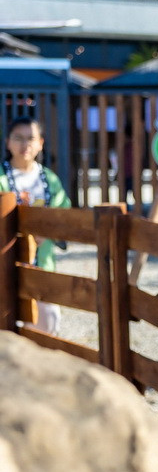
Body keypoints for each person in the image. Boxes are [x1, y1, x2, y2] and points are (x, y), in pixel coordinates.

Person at [0, 117, 71, 335]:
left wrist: (47, 231)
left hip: (42, 264)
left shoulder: (49, 179)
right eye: (18, 138)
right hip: (4, 267)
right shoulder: (2, 178)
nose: (25, 145)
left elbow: (64, 214)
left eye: (30, 138)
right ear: (7, 142)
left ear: (40, 143)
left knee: (47, 324)